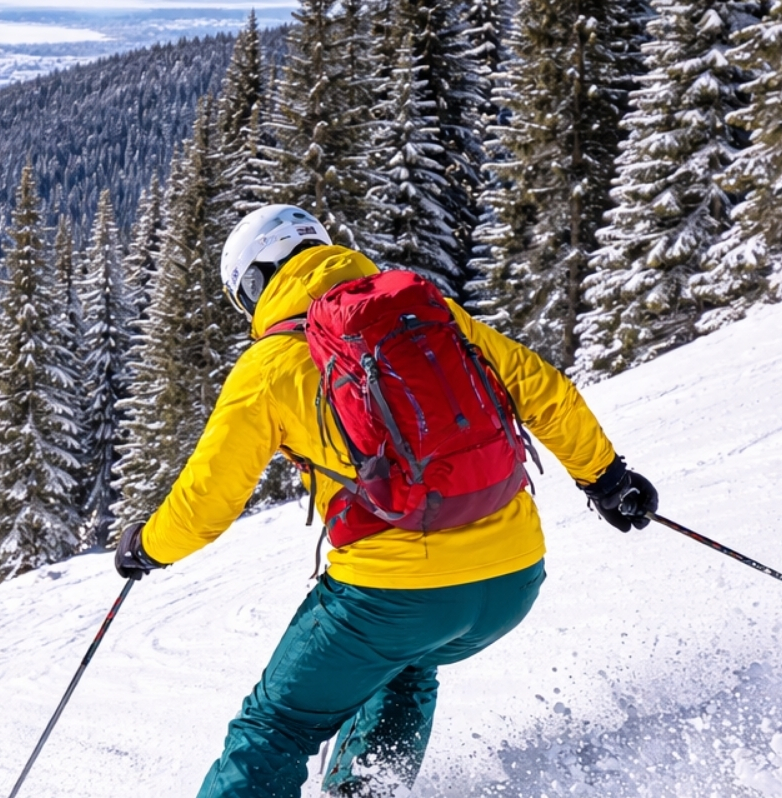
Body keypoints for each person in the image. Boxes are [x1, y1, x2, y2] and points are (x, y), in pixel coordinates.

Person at [114, 204, 658, 798]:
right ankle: (367, 790)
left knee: (276, 725)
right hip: (514, 578)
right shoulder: (433, 318)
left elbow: (207, 500)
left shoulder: (268, 366)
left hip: (392, 597)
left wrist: (147, 546)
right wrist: (607, 479)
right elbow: (545, 391)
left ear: (254, 283)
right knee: (402, 667)